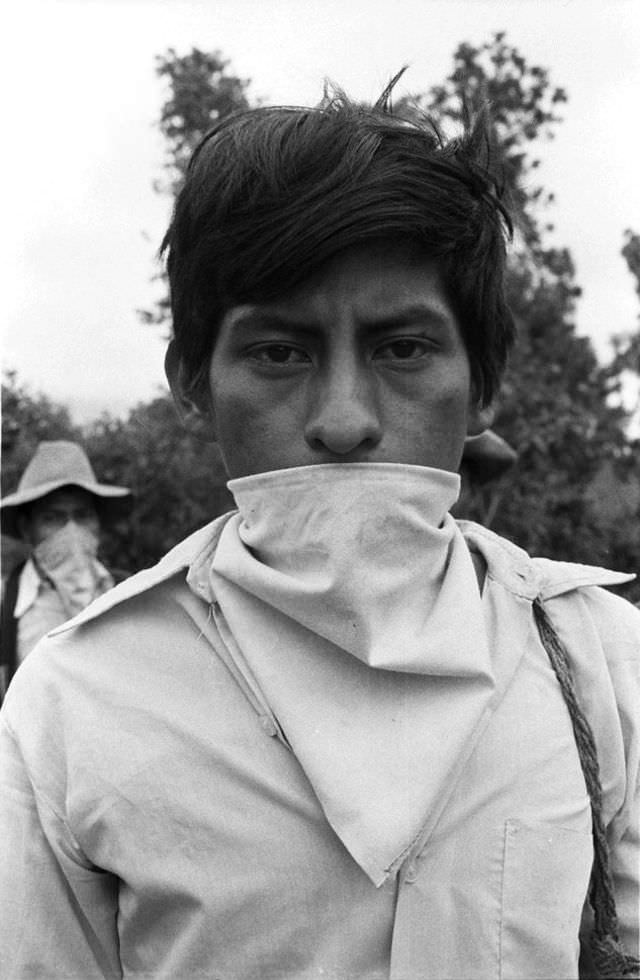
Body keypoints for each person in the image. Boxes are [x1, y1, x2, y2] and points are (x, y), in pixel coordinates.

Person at [1, 83, 638, 980]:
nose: (344, 420)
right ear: (194, 379)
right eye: (278, 352)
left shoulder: (603, 663)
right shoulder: (72, 706)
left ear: (481, 382)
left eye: (403, 348)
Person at [0, 440, 131, 697]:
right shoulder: (5, 604)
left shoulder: (128, 595)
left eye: (82, 516)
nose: (71, 531)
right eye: (53, 518)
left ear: (97, 522)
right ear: (28, 528)